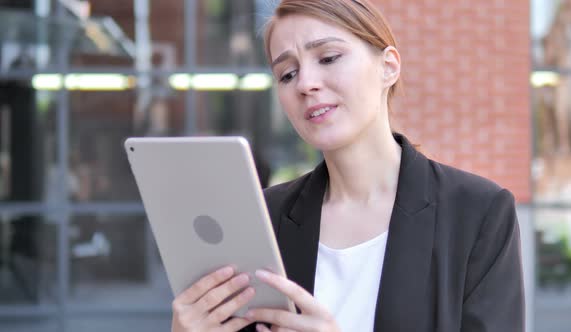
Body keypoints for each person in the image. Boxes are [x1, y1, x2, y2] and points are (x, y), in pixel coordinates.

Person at [171, 0, 525, 331]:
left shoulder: (478, 212)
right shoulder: (264, 217)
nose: (306, 84)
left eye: (328, 58)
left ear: (388, 67)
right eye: (287, 74)